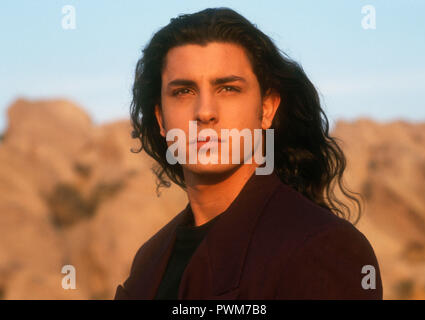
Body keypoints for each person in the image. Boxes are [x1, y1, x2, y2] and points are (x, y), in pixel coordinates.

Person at [114, 7, 383, 300]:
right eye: (183, 91)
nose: (205, 112)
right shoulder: (149, 261)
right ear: (161, 119)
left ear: (266, 109)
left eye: (228, 88)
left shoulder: (323, 246)